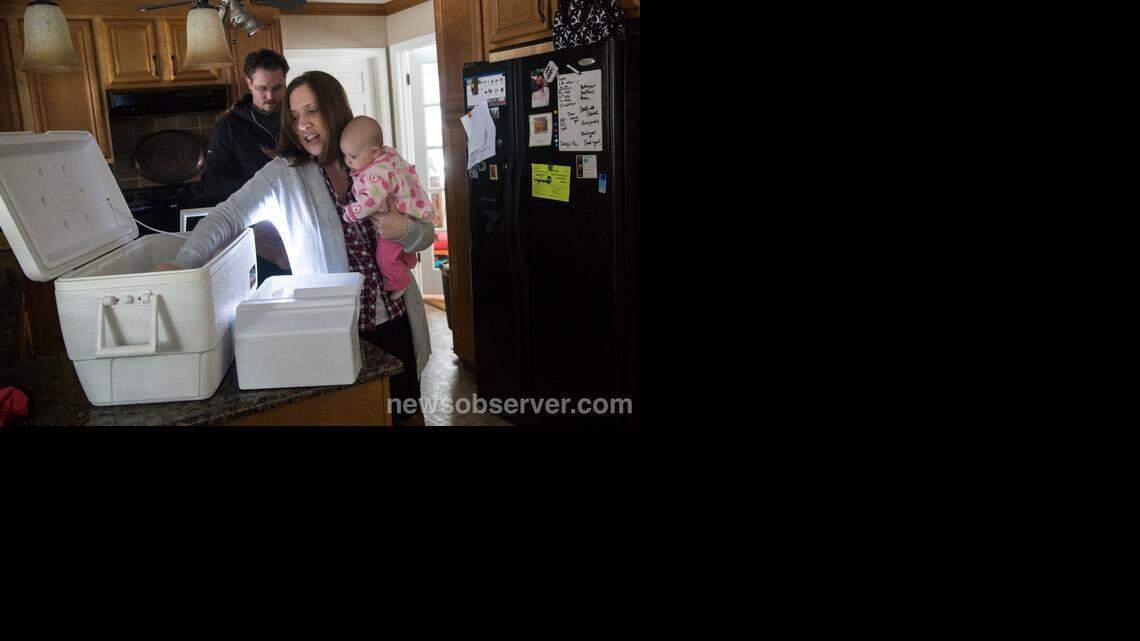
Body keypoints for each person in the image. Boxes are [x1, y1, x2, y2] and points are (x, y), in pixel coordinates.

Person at [158, 71, 436, 426]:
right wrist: (185, 264)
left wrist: (405, 229)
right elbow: (226, 217)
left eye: (312, 111)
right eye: (294, 116)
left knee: (408, 417)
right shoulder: (283, 174)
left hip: (396, 319)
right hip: (334, 332)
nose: (302, 125)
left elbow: (425, 232)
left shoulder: (377, 161)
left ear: (335, 110)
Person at [201, 49, 292, 282]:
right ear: (249, 83)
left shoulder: (297, 119)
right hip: (255, 235)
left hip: (299, 224)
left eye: (278, 88)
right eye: (263, 89)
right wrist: (261, 189)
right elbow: (211, 183)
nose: (271, 96)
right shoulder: (228, 128)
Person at [339, 116, 436, 300]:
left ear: (374, 151)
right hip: (409, 211)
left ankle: (398, 282)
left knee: (384, 258)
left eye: (352, 157)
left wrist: (352, 211)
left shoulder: (373, 173)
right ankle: (408, 257)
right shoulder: (387, 154)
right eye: (344, 155)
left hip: (396, 220)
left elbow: (372, 202)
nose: (347, 162)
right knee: (396, 248)